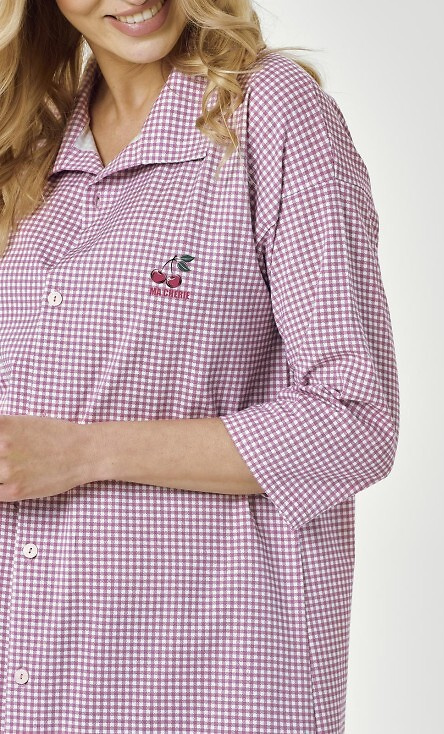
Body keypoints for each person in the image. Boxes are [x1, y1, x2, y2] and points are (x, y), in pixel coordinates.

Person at [0, 1, 400, 733]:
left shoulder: (270, 112)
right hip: (35, 677)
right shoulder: (30, 142)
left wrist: (84, 452)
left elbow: (355, 421)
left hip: (205, 676)